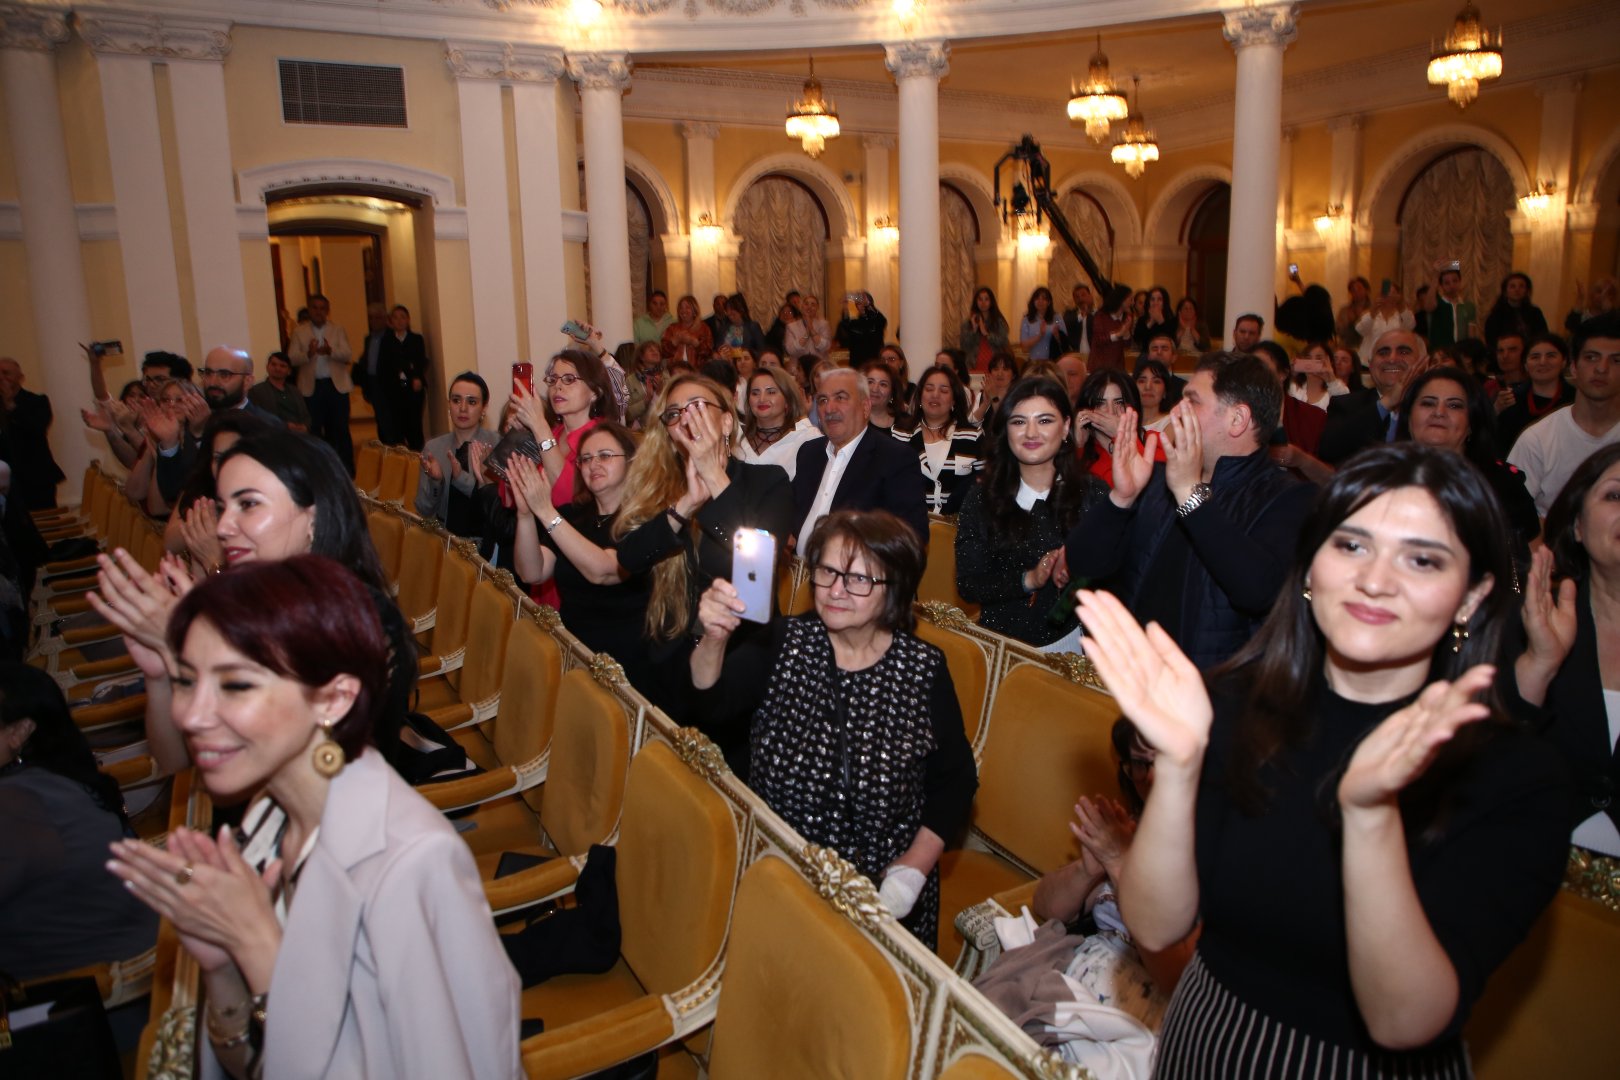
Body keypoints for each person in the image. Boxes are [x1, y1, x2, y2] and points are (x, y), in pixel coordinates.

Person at [1079, 445, 1570, 1077]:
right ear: (1311, 564)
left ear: (1473, 596)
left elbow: (1404, 1020)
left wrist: (1369, 815)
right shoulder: (1232, 705)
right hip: (1207, 1039)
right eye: (1352, 545)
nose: (1376, 579)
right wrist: (1178, 764)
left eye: (1422, 559)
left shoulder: (1512, 773)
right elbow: (1153, 923)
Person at [107, 557, 521, 1079]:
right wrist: (221, 968)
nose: (190, 714)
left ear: (332, 699)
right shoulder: (270, 810)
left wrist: (257, 948)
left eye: (235, 685)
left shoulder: (410, 862)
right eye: (186, 680)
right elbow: (254, 1060)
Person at [692, 510, 978, 948]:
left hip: (879, 896)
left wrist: (913, 868)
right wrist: (712, 638)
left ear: (895, 589)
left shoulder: (922, 669)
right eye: (827, 572)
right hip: (778, 874)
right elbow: (711, 703)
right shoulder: (784, 642)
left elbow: (955, 779)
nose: (836, 591)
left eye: (859, 579)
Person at [92, 430, 415, 780]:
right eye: (222, 507)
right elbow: (177, 764)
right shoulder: (256, 602)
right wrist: (161, 673)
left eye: (248, 504)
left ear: (313, 517)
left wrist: (192, 653)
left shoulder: (363, 618)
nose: (224, 527)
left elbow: (322, 769)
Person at [1066, 353, 1314, 669]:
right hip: (1133, 682)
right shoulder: (1157, 481)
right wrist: (1121, 497)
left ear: (1237, 419)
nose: (1176, 412)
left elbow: (1259, 592)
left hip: (1211, 700)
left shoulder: (1289, 497)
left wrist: (1189, 494)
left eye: (1192, 402)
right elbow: (1082, 562)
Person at [611, 375, 795, 752]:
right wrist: (683, 507)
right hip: (670, 658)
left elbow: (756, 578)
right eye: (674, 413)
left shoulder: (768, 481)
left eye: (696, 407)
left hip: (739, 661)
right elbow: (628, 558)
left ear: (727, 422)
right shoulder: (660, 486)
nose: (685, 419)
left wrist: (714, 474)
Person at [0, 663, 157, 980]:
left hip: (82, 1004)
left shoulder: (16, 804)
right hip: (135, 961)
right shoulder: (52, 776)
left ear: (19, 731)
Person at [1518, 443, 1620, 857]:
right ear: (1577, 527)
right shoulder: (1529, 620)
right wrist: (1538, 666)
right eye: (1615, 495)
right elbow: (1488, 762)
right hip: (1537, 869)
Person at [507, 424, 658, 695]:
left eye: (604, 456)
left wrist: (545, 511)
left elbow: (603, 570)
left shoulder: (644, 521)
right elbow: (532, 572)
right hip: (573, 652)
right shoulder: (571, 516)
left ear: (631, 461)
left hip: (626, 663)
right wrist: (526, 516)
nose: (593, 465)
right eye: (585, 459)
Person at [955, 377, 1105, 649]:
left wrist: (1078, 571)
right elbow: (969, 585)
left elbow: (1119, 576)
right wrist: (1030, 578)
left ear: (1066, 428)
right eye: (1019, 421)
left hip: (1074, 648)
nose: (1031, 433)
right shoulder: (982, 497)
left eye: (1045, 421)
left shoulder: (1093, 493)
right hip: (1002, 645)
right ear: (1006, 431)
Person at [1395, 365, 1539, 559]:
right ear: (1409, 416)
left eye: (1454, 405)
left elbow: (1533, 557)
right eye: (1428, 403)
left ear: (1472, 422)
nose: (1439, 412)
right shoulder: (1381, 479)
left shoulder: (1502, 484)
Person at [793, 366, 929, 548]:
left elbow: (912, 537)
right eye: (823, 400)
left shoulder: (895, 459)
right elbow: (790, 513)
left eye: (840, 398)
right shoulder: (809, 453)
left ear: (865, 407)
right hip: (797, 572)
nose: (829, 408)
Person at [1508, 314, 1620, 517]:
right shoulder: (1537, 439)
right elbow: (1510, 517)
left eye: (1616, 360)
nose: (1602, 368)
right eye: (1591, 357)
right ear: (1574, 367)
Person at [1318, 328, 1428, 466]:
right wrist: (1386, 403)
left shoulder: (1435, 408)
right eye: (1383, 352)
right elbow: (1328, 450)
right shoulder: (1347, 405)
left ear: (1423, 363)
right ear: (1370, 365)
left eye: (1404, 352)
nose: (1392, 359)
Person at [416, 372, 501, 535]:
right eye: (456, 400)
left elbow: (498, 511)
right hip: (446, 543)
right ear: (449, 405)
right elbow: (423, 510)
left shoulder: (495, 444)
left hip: (487, 544)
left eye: (472, 402)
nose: (462, 408)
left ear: (484, 408)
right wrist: (436, 482)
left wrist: (463, 479)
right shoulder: (433, 448)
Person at [894, 363, 981, 515]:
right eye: (929, 389)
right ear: (920, 396)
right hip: (911, 527)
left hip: (960, 529)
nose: (935, 395)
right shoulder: (900, 434)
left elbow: (986, 484)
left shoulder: (971, 436)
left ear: (954, 400)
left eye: (944, 390)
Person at [287, 293, 355, 472]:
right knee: (314, 429)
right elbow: (291, 359)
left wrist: (330, 351)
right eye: (315, 308)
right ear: (309, 310)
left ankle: (346, 469)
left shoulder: (337, 329)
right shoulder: (299, 332)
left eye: (322, 308)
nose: (318, 311)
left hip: (336, 387)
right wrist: (308, 354)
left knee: (340, 429)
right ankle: (319, 470)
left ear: (327, 311)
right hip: (312, 388)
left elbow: (347, 354)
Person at [0, 356, 65, 510]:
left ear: (20, 378)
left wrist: (10, 405)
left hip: (36, 478)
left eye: (6, 373)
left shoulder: (37, 401)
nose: (1, 378)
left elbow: (37, 428)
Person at [734, 364, 818, 480]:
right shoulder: (735, 438)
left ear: (788, 399)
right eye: (755, 393)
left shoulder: (806, 438)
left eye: (771, 392)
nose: (762, 399)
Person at [1495, 332, 1576, 450]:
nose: (1542, 362)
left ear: (1564, 362)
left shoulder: (1576, 399)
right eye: (1535, 357)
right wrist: (1495, 411)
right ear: (1526, 365)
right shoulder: (1510, 400)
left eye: (1551, 355)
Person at [1074, 368, 1142, 487]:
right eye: (1101, 403)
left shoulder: (1154, 441)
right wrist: (1077, 446)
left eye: (1119, 402)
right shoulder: (1081, 452)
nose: (1110, 411)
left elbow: (1154, 493)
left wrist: (1122, 437)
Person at [374, 305, 429, 450]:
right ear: (391, 321)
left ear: (408, 320)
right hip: (394, 390)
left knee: (414, 426)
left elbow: (420, 361)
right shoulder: (386, 341)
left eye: (403, 317)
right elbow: (383, 366)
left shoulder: (416, 339)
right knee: (396, 427)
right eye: (395, 317)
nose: (399, 321)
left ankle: (418, 459)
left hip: (413, 388)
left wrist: (416, 376)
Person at [1354, 281, 1416, 366]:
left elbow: (1410, 326)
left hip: (1393, 361)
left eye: (1393, 293)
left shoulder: (1402, 314)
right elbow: (1360, 330)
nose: (1389, 296)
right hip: (1368, 361)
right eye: (1386, 293)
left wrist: (1402, 307)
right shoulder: (1370, 313)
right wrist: (1373, 311)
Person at [248, 351, 312, 432]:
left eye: (282, 366)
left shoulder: (295, 391)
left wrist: (305, 427)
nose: (277, 368)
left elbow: (305, 416)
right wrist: (284, 426)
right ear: (267, 367)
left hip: (299, 435)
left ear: (289, 371)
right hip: (273, 436)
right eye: (273, 364)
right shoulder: (256, 391)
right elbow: (256, 418)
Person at [1484, 271, 1549, 349]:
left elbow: (1543, 336)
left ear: (1526, 291)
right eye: (1512, 286)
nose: (1517, 290)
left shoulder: (1535, 313)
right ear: (1505, 291)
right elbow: (1492, 341)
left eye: (1521, 286)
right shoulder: (1497, 315)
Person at [1288, 339, 1350, 410]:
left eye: (1318, 358)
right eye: (1308, 358)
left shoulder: (1338, 389)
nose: (1312, 362)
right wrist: (1289, 374)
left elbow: (1344, 406)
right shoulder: (1293, 388)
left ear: (1329, 362)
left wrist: (1331, 377)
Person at [961, 287, 1012, 371]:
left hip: (996, 365)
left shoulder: (998, 322)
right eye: (980, 299)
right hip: (973, 365)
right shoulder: (968, 323)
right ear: (976, 302)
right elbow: (964, 345)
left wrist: (986, 333)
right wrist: (974, 329)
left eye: (986, 299)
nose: (983, 303)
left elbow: (1003, 341)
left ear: (991, 302)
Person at [1429, 264, 1478, 350]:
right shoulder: (1438, 303)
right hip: (1441, 350)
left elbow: (1471, 334)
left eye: (1455, 281)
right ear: (1441, 286)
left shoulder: (1468, 306)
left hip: (1461, 352)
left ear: (1460, 281)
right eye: (1447, 283)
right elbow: (1428, 307)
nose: (1452, 285)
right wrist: (1435, 277)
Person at [1088, 284, 1134, 372]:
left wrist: (1126, 334)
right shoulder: (1101, 316)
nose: (1132, 303)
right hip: (1099, 365)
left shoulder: (1127, 317)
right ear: (1121, 299)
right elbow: (1099, 339)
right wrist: (1119, 334)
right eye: (1130, 299)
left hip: (1117, 365)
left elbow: (1127, 345)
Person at [837, 291, 888, 367]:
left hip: (875, 363)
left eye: (864, 302)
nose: (862, 305)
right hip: (857, 364)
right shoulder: (855, 323)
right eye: (858, 303)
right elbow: (845, 327)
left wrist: (868, 305)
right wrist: (845, 307)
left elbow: (881, 321)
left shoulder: (877, 320)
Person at [662, 294, 715, 367]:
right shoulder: (672, 328)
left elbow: (709, 353)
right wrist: (675, 341)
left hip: (696, 372)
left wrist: (695, 342)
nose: (683, 311)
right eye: (681, 308)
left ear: (694, 310)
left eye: (687, 307)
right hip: (675, 371)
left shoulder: (704, 328)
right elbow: (663, 352)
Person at [969, 352, 1021, 425]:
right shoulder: (983, 394)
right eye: (996, 369)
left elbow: (1005, 423)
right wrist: (985, 404)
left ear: (1013, 375)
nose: (1000, 374)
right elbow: (971, 424)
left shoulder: (1018, 397)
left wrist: (994, 399)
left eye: (1005, 369)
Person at [1133, 357, 1179, 435]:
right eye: (1142, 381)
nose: (1148, 387)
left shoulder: (1171, 424)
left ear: (1165, 391)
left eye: (1156, 381)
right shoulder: (1125, 421)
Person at [1020, 286, 1067, 361]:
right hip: (1034, 361)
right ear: (1033, 301)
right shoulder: (1027, 319)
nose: (1040, 301)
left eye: (1044, 299)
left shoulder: (1057, 317)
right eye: (1037, 298)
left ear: (1048, 302)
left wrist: (1057, 336)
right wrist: (1040, 335)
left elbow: (1065, 342)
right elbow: (1024, 347)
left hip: (1054, 361)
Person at [784, 293, 832, 362]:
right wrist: (807, 334)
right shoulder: (791, 326)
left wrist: (811, 329)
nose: (809, 307)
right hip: (799, 365)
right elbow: (791, 350)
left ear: (817, 308)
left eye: (813, 304)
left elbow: (826, 347)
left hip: (820, 364)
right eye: (806, 304)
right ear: (802, 306)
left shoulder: (824, 324)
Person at [863, 359, 909, 431]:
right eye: (870, 382)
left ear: (892, 392)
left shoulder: (908, 423)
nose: (875, 389)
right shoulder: (851, 420)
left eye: (883, 384)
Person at [717, 292, 767, 359]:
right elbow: (717, 348)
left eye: (732, 309)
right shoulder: (723, 328)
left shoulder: (753, 327)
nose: (729, 313)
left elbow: (761, 351)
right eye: (727, 310)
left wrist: (738, 352)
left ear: (741, 309)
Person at [1132, 286, 1174, 353]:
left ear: (1164, 302)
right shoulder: (1142, 320)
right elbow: (1137, 340)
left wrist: (1161, 321)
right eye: (1152, 299)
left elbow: (1172, 341)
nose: (1155, 303)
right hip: (1146, 356)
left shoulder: (1171, 319)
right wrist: (1150, 322)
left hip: (1165, 357)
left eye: (1159, 299)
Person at [1335, 276, 1371, 351]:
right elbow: (1338, 331)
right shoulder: (1344, 310)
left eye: (1359, 288)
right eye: (1353, 290)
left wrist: (1359, 319)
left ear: (1366, 290)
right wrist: (1348, 322)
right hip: (1347, 348)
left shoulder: (1373, 310)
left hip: (1366, 348)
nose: (1356, 292)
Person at [1061, 283, 1094, 358]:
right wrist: (1081, 315)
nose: (1081, 299)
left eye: (1083, 295)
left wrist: (1088, 313)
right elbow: (1067, 323)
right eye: (1077, 297)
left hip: (1094, 355)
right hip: (1075, 355)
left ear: (1090, 296)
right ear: (1074, 300)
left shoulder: (1097, 314)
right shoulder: (1069, 314)